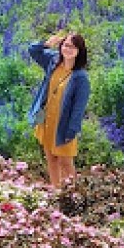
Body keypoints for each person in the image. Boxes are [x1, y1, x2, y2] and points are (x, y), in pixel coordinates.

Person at [27, 32, 90, 188]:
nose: (68, 49)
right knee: (51, 158)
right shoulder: (53, 61)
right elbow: (33, 50)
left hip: (64, 123)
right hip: (47, 119)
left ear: (79, 51)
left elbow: (79, 107)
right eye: (66, 45)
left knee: (65, 162)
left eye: (73, 47)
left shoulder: (81, 77)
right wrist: (46, 44)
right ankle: (56, 192)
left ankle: (73, 195)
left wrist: (72, 130)